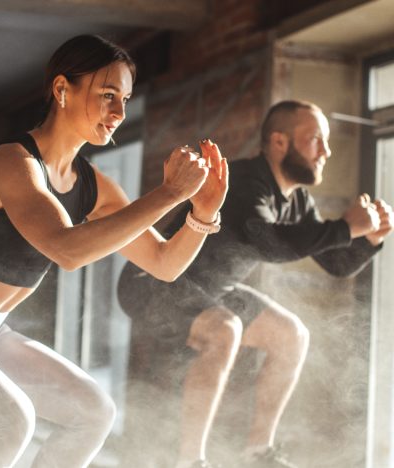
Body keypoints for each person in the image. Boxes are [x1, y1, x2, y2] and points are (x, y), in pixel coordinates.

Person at [0, 34, 228, 468]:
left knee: (94, 413)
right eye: (108, 95)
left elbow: (164, 263)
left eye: (126, 99)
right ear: (61, 90)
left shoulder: (93, 186)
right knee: (11, 421)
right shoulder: (13, 162)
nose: (119, 112)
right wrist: (169, 194)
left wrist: (201, 214)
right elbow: (66, 249)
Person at [118, 100, 393, 468]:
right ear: (279, 142)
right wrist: (345, 227)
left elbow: (337, 264)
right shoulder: (246, 181)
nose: (325, 151)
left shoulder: (296, 201)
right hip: (151, 280)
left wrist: (369, 238)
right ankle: (190, 462)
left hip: (210, 289)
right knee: (224, 329)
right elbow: (269, 242)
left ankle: (257, 454)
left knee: (291, 334)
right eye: (315, 140)